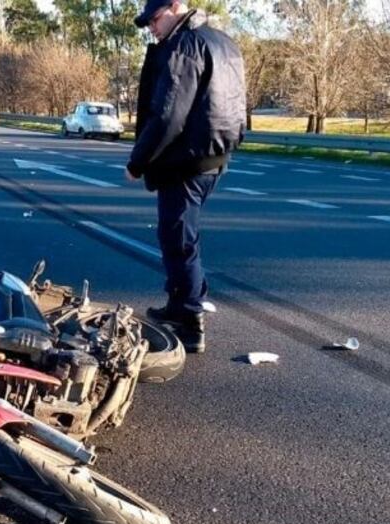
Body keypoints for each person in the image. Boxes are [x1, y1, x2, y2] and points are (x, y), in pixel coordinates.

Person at [124, 0, 246, 353]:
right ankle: (178, 305)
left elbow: (168, 114)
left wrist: (138, 161)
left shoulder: (186, 45)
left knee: (178, 240)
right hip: (216, 154)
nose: (151, 27)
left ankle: (189, 321)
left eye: (155, 19)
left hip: (186, 159)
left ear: (176, 7)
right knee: (182, 235)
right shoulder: (223, 41)